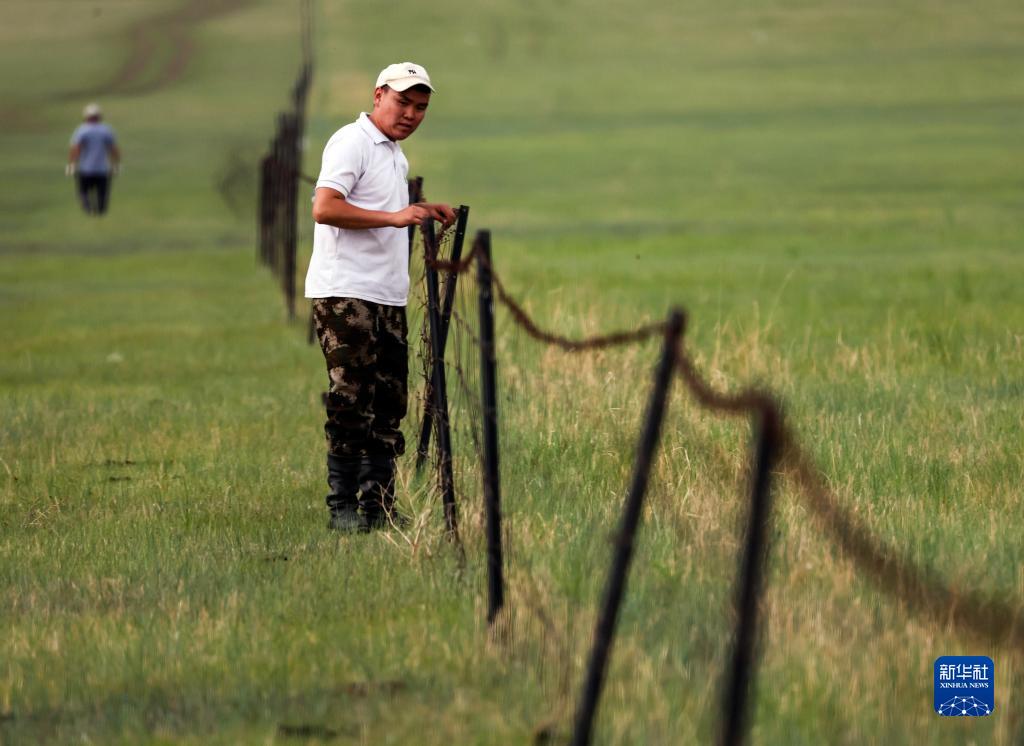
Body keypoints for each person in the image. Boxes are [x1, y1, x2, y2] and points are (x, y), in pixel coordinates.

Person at [306, 62, 455, 533]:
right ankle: (343, 507)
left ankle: (380, 504)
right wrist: (393, 220)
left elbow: (379, 207)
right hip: (345, 291)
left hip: (385, 293)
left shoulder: (393, 153)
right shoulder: (352, 141)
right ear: (378, 96)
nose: (411, 114)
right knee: (352, 399)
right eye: (403, 102)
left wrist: (418, 211)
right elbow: (325, 207)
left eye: (420, 108)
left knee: (388, 401)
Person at [67, 103, 120, 215]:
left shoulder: (81, 131)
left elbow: (76, 149)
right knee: (102, 195)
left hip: (85, 169)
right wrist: (115, 164)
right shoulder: (106, 130)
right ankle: (100, 213)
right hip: (102, 170)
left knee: (83, 193)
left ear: (86, 117)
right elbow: (113, 149)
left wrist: (72, 164)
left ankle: (89, 211)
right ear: (99, 116)